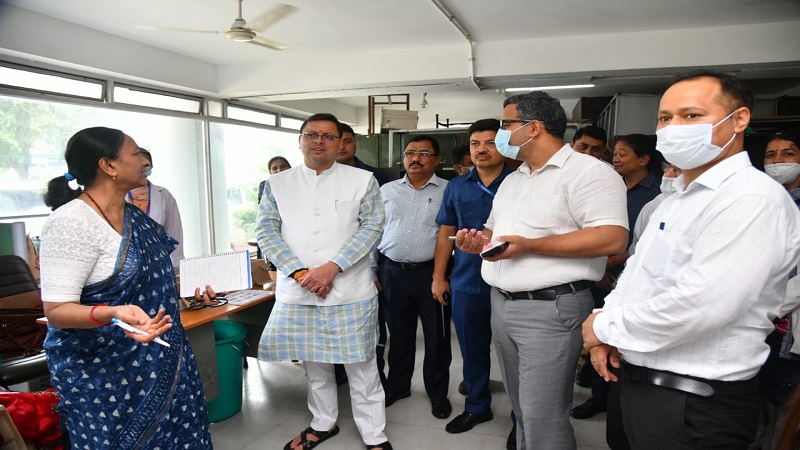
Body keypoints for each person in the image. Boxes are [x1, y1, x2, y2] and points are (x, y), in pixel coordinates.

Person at [582, 70, 800, 450]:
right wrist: (608, 324)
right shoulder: (679, 198)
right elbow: (637, 274)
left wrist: (606, 327)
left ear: (739, 119)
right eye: (665, 118)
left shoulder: (751, 198)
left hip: (695, 402)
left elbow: (704, 305)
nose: (673, 128)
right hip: (642, 382)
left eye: (691, 115)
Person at [455, 91, 628, 450]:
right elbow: (493, 232)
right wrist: (477, 242)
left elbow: (612, 237)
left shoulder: (589, 172)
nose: (500, 134)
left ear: (533, 128)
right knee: (522, 409)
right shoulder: (515, 178)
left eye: (505, 125)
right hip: (502, 303)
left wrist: (532, 245)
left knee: (543, 416)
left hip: (550, 308)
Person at [39, 126, 213, 449]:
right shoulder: (71, 222)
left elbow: (154, 280)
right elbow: (57, 310)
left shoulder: (134, 217)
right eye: (135, 154)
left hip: (164, 359)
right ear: (109, 166)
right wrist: (115, 313)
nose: (144, 161)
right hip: (105, 377)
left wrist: (192, 290)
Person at [255, 113, 391, 450]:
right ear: (299, 140)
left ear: (341, 142)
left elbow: (372, 227)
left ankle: (374, 434)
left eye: (329, 136)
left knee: (362, 366)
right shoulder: (276, 184)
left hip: (350, 290)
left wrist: (333, 267)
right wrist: (300, 273)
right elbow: (266, 232)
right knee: (314, 364)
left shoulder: (362, 180)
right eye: (312, 134)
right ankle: (323, 423)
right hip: (299, 290)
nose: (319, 141)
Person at [571, 133, 663, 421]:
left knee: (624, 340)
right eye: (616, 153)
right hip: (599, 273)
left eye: (623, 153)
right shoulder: (611, 184)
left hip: (633, 276)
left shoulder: (658, 193)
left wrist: (609, 264)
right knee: (600, 333)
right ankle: (599, 395)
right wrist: (599, 266)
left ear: (644, 159)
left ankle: (619, 402)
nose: (616, 158)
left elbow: (644, 242)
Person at [432, 118, 514, 434]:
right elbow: (446, 233)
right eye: (475, 144)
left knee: (515, 353)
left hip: (511, 280)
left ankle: (521, 419)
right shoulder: (456, 186)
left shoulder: (520, 181)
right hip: (467, 280)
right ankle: (477, 406)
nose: (481, 149)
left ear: (504, 145)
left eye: (490, 142)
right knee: (471, 349)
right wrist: (439, 277)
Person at [378, 134, 452, 420]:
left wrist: (442, 276)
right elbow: (374, 231)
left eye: (423, 153)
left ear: (437, 160)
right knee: (399, 336)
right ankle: (398, 386)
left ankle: (437, 393)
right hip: (392, 272)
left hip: (432, 274)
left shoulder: (449, 190)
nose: (415, 159)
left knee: (437, 337)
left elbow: (451, 234)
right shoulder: (387, 190)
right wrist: (373, 270)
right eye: (410, 153)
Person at [753, 129, 800, 448]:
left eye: (788, 154)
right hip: (759, 329)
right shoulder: (764, 203)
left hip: (785, 330)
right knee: (753, 417)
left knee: (785, 422)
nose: (778, 161)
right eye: (771, 155)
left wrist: (768, 309)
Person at [125, 148, 185, 267]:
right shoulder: (117, 196)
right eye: (140, 163)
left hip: (159, 264)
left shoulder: (164, 195)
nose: (144, 166)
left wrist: (177, 267)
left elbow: (175, 234)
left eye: (147, 164)